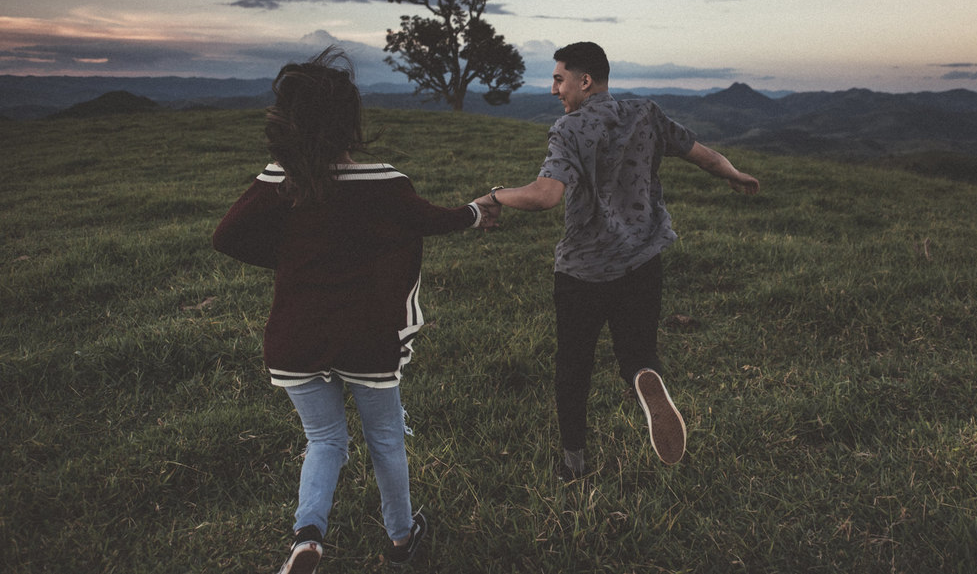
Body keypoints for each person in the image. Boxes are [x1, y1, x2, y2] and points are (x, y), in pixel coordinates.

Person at [212, 47, 498, 573]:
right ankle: (400, 539)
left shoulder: (279, 184)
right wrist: (480, 211)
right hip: (366, 335)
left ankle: (307, 538)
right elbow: (434, 220)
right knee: (385, 441)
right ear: (349, 123)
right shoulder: (385, 183)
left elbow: (226, 236)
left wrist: (288, 262)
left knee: (324, 441)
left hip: (295, 337)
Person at [480, 41, 759, 480]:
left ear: (584, 81)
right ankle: (644, 377)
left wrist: (493, 195)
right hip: (642, 260)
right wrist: (734, 173)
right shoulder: (645, 113)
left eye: (559, 79)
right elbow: (701, 154)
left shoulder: (568, 129)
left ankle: (574, 464)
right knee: (637, 352)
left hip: (583, 270)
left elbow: (545, 195)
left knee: (574, 366)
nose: (554, 90)